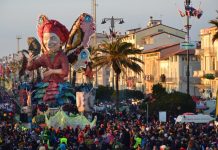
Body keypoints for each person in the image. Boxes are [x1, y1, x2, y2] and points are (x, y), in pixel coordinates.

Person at [27, 15, 73, 105]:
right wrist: (30, 61)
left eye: (53, 38)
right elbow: (32, 67)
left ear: (60, 42)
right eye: (46, 39)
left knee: (61, 103)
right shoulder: (44, 56)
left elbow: (65, 71)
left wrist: (52, 71)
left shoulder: (62, 56)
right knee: (42, 103)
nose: (49, 42)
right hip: (45, 86)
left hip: (59, 86)